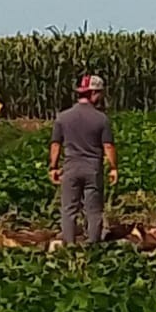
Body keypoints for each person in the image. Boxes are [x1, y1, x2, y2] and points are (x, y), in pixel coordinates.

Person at [48, 74, 119, 245]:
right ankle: (93, 245)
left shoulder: (63, 117)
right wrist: (113, 168)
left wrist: (53, 167)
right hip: (92, 169)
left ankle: (70, 246)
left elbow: (56, 145)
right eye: (100, 93)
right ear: (93, 93)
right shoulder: (101, 118)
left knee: (69, 209)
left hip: (70, 168)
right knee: (93, 210)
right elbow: (108, 146)